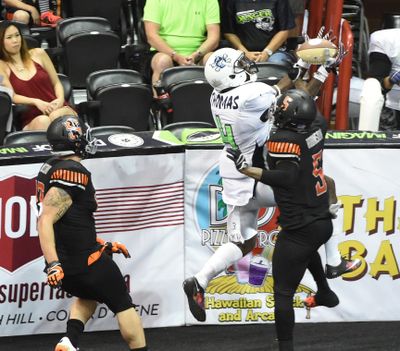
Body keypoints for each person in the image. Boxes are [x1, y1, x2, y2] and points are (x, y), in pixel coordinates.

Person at [182, 46, 360, 323]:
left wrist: (300, 66)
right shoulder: (251, 95)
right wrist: (324, 71)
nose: (246, 65)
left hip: (233, 173)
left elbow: (283, 90)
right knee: (323, 190)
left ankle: (200, 280)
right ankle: (334, 261)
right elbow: (299, 101)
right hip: (256, 174)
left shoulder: (218, 94)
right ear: (230, 74)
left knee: (245, 240)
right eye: (239, 64)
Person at [226, 89, 337, 350]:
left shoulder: (283, 139)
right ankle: (324, 291)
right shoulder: (318, 125)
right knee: (307, 251)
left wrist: (248, 169)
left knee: (283, 292)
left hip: (301, 226)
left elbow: (286, 177)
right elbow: (306, 106)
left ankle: (285, 347)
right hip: (321, 219)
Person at [36, 115, 147, 351]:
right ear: (74, 139)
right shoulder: (74, 172)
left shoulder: (50, 166)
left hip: (69, 266)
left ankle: (70, 341)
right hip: (80, 262)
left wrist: (101, 244)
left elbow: (69, 223)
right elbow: (45, 220)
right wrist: (52, 263)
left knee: (88, 293)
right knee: (122, 303)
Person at [0, 21, 75, 131]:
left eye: (17, 35)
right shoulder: (1, 66)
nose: (15, 40)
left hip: (58, 107)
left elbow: (56, 82)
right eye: (9, 37)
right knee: (43, 121)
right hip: (31, 118)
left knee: (56, 116)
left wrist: (60, 99)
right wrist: (36, 102)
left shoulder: (38, 53)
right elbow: (12, 96)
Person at [143, 0, 220, 89]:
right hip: (165, 52)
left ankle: (215, 101)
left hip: (199, 54)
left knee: (213, 59)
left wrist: (196, 55)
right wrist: (176, 56)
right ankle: (160, 101)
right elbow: (151, 36)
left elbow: (214, 38)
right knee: (162, 61)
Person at [220, 0, 296, 66]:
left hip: (275, 52)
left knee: (275, 64)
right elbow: (228, 31)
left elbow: (284, 30)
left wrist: (267, 52)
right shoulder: (230, 1)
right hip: (240, 52)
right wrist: (244, 52)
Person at [358, 28, 400, 131]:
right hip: (392, 105)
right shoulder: (386, 39)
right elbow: (378, 85)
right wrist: (391, 80)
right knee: (371, 87)